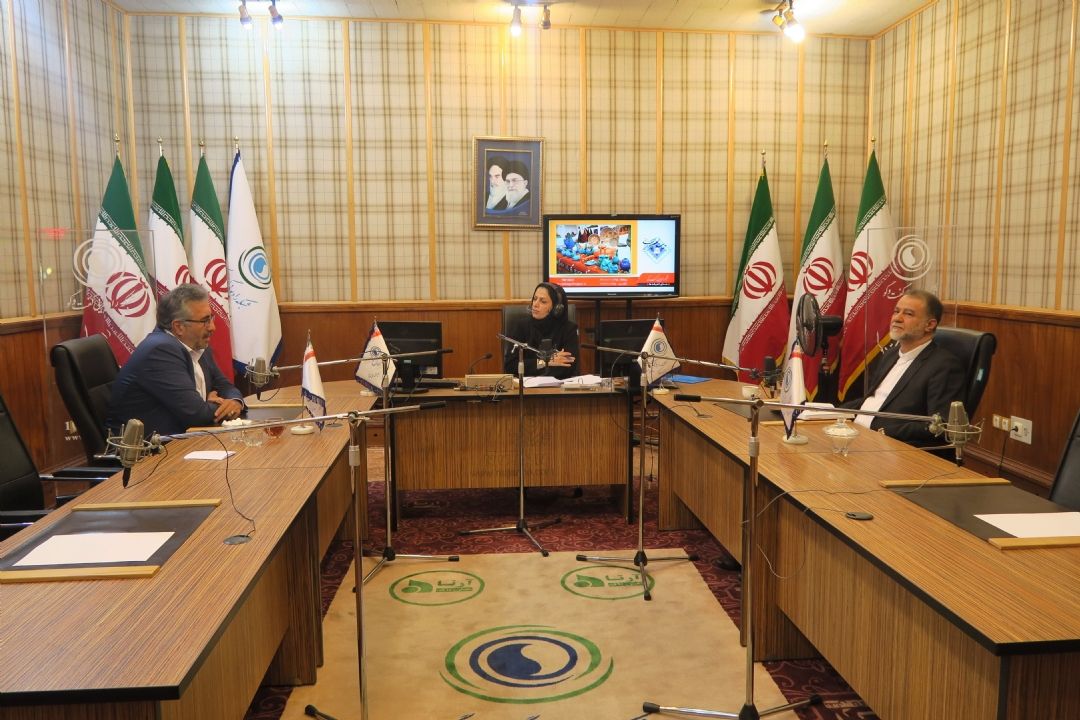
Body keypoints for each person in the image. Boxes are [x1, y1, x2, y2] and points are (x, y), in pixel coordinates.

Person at [108, 283, 245, 436]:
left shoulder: (198, 344)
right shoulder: (160, 351)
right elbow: (196, 414)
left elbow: (225, 386)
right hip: (151, 447)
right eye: (205, 321)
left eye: (211, 318)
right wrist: (218, 405)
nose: (212, 327)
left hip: (186, 437)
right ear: (179, 327)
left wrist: (235, 401)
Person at [840, 289, 965, 446]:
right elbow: (872, 400)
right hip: (855, 434)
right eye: (896, 311)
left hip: (890, 447)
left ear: (930, 325)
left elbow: (939, 424)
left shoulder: (944, 366)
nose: (897, 318)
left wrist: (884, 432)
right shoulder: (890, 354)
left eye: (908, 314)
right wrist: (830, 412)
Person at [503, 282, 579, 379]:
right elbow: (511, 366)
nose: (535, 304)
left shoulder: (569, 329)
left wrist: (532, 365)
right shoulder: (520, 327)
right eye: (535, 299)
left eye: (543, 301)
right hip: (526, 385)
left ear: (557, 308)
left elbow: (568, 366)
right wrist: (545, 362)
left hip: (558, 385)